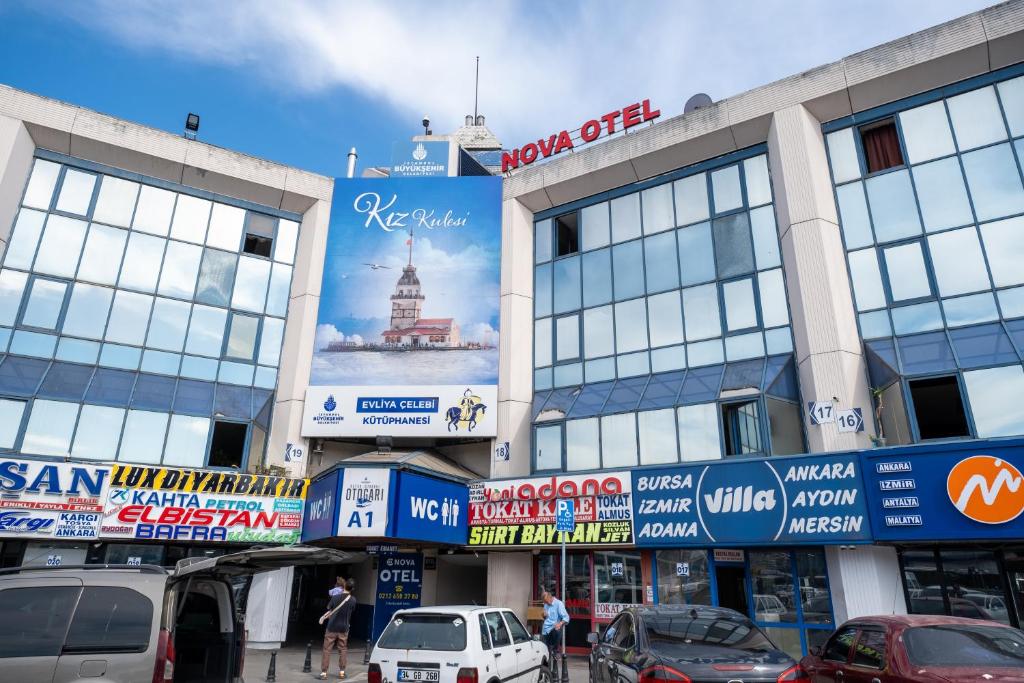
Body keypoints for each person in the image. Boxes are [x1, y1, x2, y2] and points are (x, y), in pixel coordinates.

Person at [319, 578, 357, 680]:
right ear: (352, 589)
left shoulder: (335, 598)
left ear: (344, 586)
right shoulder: (353, 600)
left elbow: (329, 608)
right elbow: (351, 611)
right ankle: (341, 672)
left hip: (332, 627)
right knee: (343, 649)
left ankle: (323, 673)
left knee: (327, 649)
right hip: (344, 628)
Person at [541, 590, 570, 661]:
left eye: (547, 602)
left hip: (554, 627)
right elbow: (545, 617)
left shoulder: (559, 604)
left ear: (550, 598)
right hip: (546, 629)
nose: (546, 603)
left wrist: (559, 623)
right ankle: (547, 663)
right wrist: (544, 615)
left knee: (557, 630)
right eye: (545, 602)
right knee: (545, 650)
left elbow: (566, 617)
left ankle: (556, 650)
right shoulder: (546, 604)